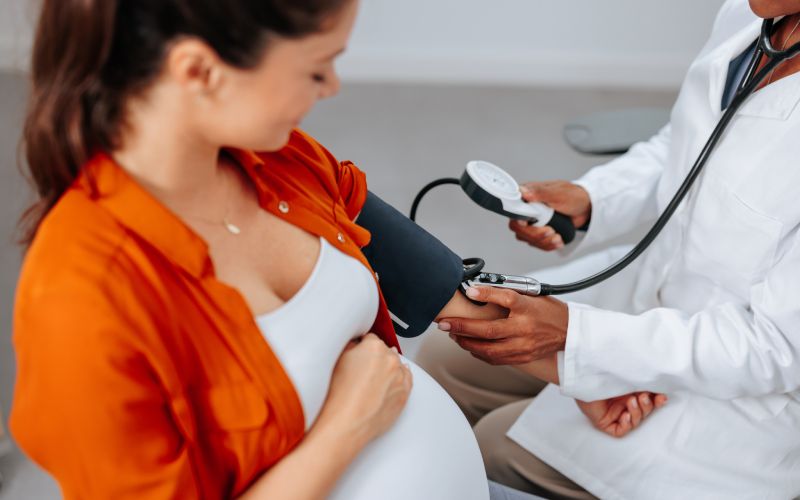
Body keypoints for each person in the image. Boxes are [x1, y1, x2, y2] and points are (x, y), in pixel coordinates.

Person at [8, 1, 559, 498]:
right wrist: (350, 422)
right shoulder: (79, 294)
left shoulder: (277, 157)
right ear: (199, 71)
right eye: (315, 68)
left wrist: (580, 370)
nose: (332, 86)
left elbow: (422, 273)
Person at [418, 0, 800, 498]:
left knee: (493, 450)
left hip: (746, 392)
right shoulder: (750, 18)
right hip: (653, 289)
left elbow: (776, 347)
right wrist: (593, 199)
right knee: (445, 360)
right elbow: (692, 139)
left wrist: (578, 337)